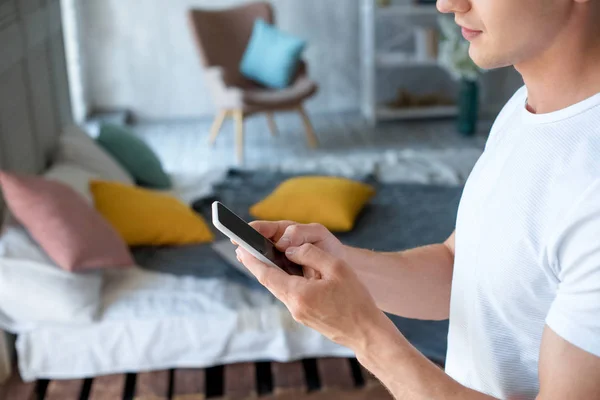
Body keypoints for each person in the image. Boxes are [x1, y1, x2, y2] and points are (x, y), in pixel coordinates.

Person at [235, 0, 600, 398]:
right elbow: (457, 272)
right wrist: (338, 263)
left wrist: (364, 334)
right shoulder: (525, 109)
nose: (447, 3)